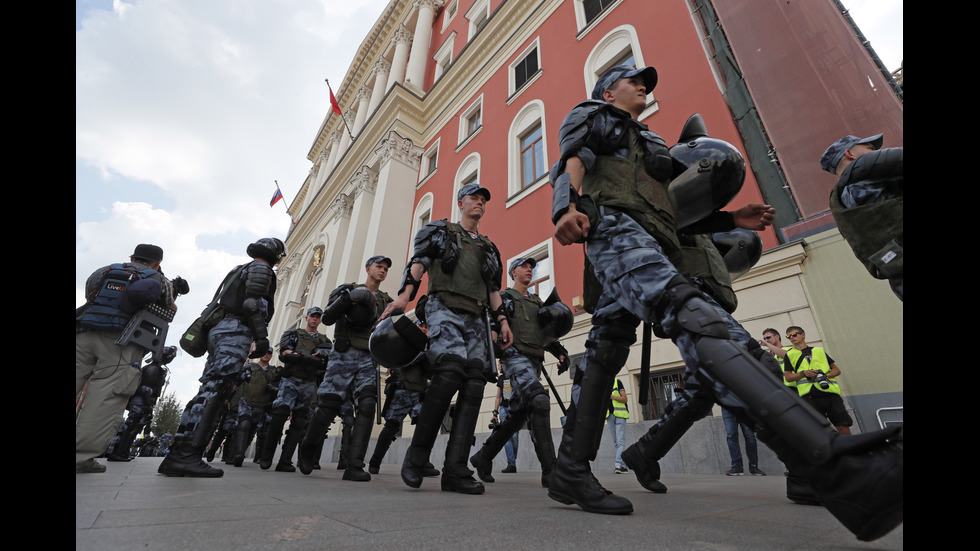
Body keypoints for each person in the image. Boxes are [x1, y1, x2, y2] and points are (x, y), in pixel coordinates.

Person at [548, 64, 902, 542]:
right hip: (613, 231)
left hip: (653, 243)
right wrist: (565, 207)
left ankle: (570, 467)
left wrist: (730, 217)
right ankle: (832, 465)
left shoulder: (651, 144)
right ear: (609, 89)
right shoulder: (594, 114)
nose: (644, 87)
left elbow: (675, 209)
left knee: (617, 351)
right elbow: (572, 157)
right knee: (701, 323)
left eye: (647, 82)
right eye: (634, 81)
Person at [381, 182, 514, 495]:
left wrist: (503, 321)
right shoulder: (439, 231)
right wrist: (404, 298)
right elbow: (418, 264)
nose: (480, 202)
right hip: (444, 307)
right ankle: (417, 457)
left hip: (478, 317)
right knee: (450, 369)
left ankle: (455, 469)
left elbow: (494, 290)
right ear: (461, 202)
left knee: (475, 382)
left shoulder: (489, 248)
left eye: (484, 199)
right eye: (474, 198)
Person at [158, 237, 284, 477]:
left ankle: (177, 454)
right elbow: (251, 304)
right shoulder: (261, 268)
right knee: (217, 390)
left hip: (222, 331)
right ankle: (186, 455)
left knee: (210, 388)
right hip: (235, 331)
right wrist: (262, 337)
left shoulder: (239, 270)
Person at [470, 258, 570, 488]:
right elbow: (492, 327)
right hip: (514, 357)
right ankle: (550, 470)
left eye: (532, 267)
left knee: (517, 415)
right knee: (540, 401)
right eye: (524, 266)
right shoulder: (505, 297)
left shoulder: (537, 302)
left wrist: (560, 351)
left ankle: (482, 457)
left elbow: (546, 332)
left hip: (534, 359)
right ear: (513, 271)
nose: (529, 270)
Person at [77, 243, 176, 473]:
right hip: (122, 341)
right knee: (105, 398)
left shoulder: (104, 271)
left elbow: (90, 296)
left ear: (132, 256)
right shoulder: (161, 281)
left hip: (83, 333)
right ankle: (81, 458)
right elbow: (169, 310)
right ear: (158, 263)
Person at [297, 256, 393, 481]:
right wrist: (348, 299)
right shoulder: (349, 290)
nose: (383, 271)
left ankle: (355, 465)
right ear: (368, 268)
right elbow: (328, 318)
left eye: (386, 269)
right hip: (343, 354)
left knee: (368, 405)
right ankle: (308, 450)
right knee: (329, 405)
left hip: (369, 358)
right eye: (379, 267)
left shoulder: (386, 300)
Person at [820, 133, 903, 301]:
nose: (877, 152)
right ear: (850, 154)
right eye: (870, 149)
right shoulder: (860, 181)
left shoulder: (840, 199)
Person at [258, 307, 332, 472]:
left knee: (299, 422)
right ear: (307, 318)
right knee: (279, 415)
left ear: (320, 320)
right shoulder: (293, 334)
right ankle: (266, 457)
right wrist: (307, 358)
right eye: (312, 316)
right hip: (290, 379)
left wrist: (299, 357)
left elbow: (326, 360)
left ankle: (285, 461)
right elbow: (285, 352)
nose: (314, 319)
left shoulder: (324, 340)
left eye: (317, 317)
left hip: (309, 383)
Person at [368, 319, 438, 477]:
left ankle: (422, 462)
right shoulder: (403, 341)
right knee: (391, 427)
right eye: (420, 326)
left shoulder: (428, 346)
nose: (423, 329)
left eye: (426, 327)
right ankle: (375, 461)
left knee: (425, 427)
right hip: (402, 389)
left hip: (419, 392)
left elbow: (430, 371)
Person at [105, 346, 176, 462]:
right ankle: (117, 452)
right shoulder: (153, 369)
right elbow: (145, 388)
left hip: (143, 401)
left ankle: (123, 452)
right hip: (140, 401)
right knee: (130, 426)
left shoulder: (154, 368)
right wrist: (148, 406)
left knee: (134, 427)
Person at [781, 326, 852, 435]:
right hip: (809, 397)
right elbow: (788, 377)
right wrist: (803, 373)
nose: (791, 337)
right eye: (788, 336)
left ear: (803, 335)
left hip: (829, 393)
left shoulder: (819, 351)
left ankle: (851, 449)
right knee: (820, 431)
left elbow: (836, 370)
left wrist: (825, 376)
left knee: (843, 426)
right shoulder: (789, 355)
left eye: (794, 334)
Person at [229, 348, 281, 467]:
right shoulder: (249, 368)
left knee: (252, 430)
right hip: (246, 402)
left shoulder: (274, 372)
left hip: (263, 405)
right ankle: (238, 455)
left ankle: (241, 452)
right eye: (264, 352)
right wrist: (227, 399)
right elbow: (236, 383)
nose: (266, 355)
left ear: (271, 356)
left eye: (269, 353)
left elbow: (280, 387)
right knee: (244, 425)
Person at [721, 408, 764, 476]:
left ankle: (753, 466)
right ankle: (737, 466)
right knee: (731, 436)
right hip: (727, 408)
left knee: (750, 436)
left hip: (743, 407)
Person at [606, 377, 629, 473]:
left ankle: (618, 464)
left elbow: (625, 399)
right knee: (617, 443)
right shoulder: (602, 384)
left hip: (620, 415)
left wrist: (611, 396)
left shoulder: (617, 382)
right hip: (609, 416)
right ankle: (623, 465)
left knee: (620, 442)